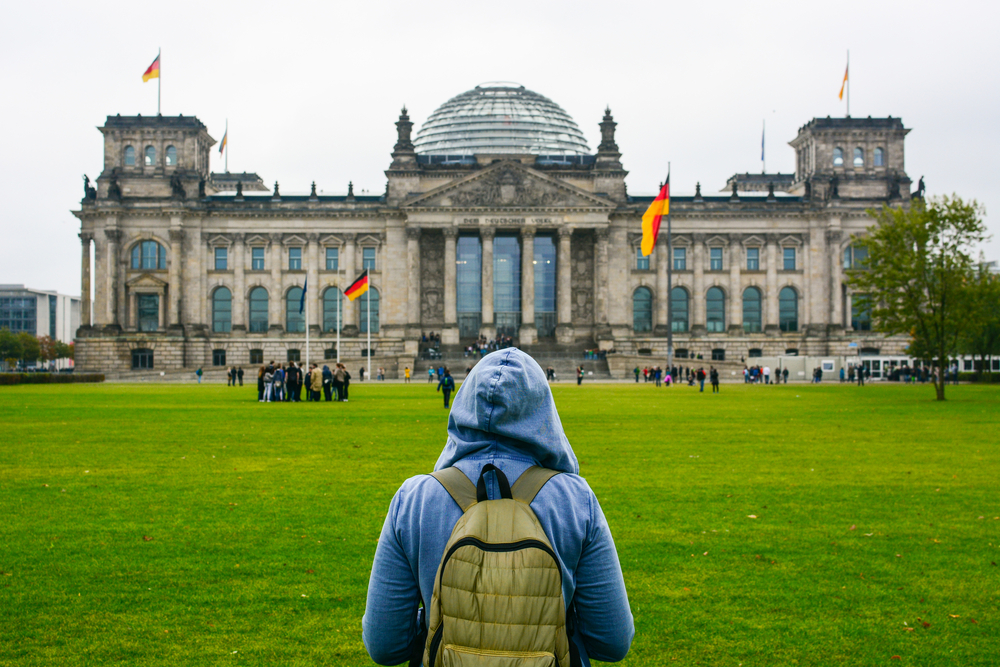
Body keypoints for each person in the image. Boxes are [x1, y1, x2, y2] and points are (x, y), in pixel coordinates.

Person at [362, 349, 634, 665]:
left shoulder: (414, 498)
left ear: (465, 404)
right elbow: (611, 643)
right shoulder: (575, 499)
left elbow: (385, 646)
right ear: (543, 409)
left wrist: (445, 614)